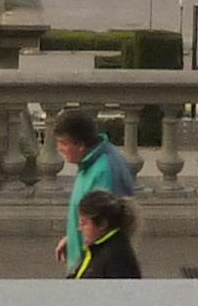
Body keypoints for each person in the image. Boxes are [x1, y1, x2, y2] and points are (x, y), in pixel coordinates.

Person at [49, 105, 136, 274]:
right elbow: (92, 219)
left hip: (94, 267)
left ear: (80, 144)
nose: (59, 149)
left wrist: (84, 267)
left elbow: (104, 229)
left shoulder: (104, 171)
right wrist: (72, 238)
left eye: (63, 143)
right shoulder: (91, 162)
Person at [70, 190, 143, 279]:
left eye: (84, 223)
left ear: (102, 224)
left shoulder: (117, 259)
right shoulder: (98, 249)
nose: (80, 228)